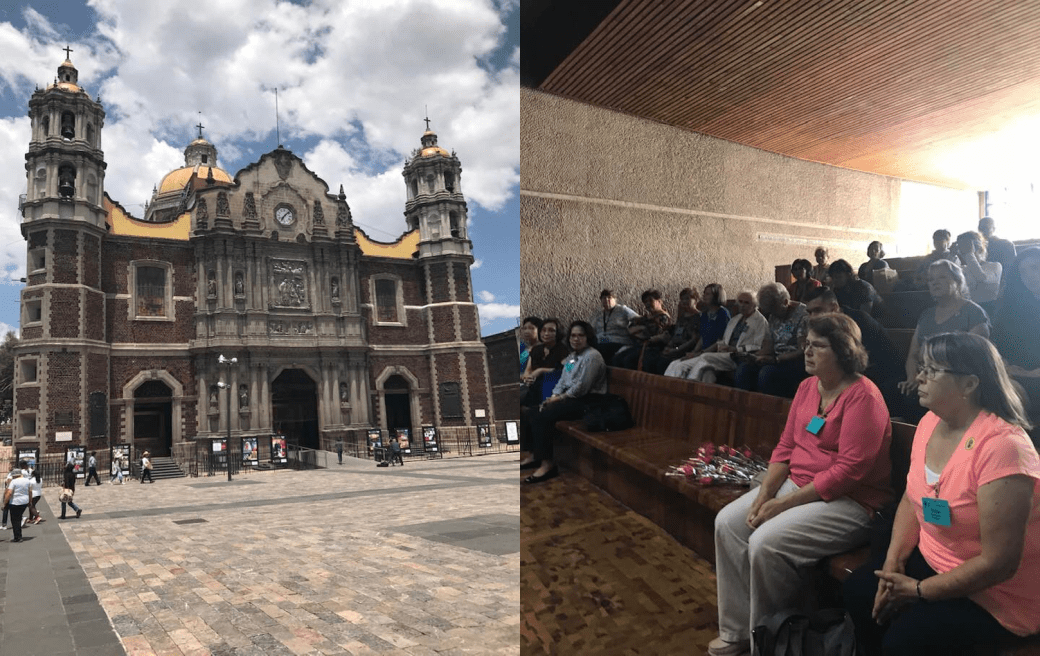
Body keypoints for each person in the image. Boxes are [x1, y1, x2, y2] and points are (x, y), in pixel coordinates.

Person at [842, 333, 1040, 655]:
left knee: (904, 642)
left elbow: (999, 563)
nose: (919, 377)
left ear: (969, 384)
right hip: (938, 558)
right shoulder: (930, 422)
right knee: (860, 593)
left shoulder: (1004, 448)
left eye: (932, 371)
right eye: (922, 367)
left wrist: (919, 591)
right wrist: (893, 564)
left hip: (998, 594)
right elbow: (912, 497)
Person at [709, 313, 892, 656]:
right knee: (728, 524)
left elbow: (849, 472)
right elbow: (786, 447)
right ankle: (737, 632)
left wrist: (781, 505)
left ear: (843, 351)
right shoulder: (807, 388)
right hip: (798, 486)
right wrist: (763, 493)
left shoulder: (863, 397)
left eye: (818, 346)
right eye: (806, 344)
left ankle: (769, 639)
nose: (807, 352)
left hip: (851, 501)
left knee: (766, 542)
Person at [898, 260, 989, 422]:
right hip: (926, 378)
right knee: (898, 390)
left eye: (941, 277)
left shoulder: (973, 313)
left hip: (955, 381)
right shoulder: (926, 315)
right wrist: (912, 378)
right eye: (931, 279)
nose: (934, 282)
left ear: (958, 281)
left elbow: (973, 359)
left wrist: (934, 381)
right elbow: (913, 354)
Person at [523, 321, 607, 484]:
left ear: (588, 337)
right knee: (532, 411)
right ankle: (534, 456)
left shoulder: (592, 356)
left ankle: (548, 465)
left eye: (580, 335)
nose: (576, 339)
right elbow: (563, 379)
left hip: (589, 401)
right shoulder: (572, 357)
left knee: (543, 416)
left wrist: (558, 399)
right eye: (573, 336)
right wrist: (553, 395)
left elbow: (582, 387)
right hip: (569, 398)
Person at [803, 286, 903, 413]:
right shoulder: (820, 328)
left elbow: (860, 363)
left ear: (834, 307)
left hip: (881, 376)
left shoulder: (859, 322)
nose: (812, 317)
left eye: (817, 310)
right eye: (809, 312)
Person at [663, 290, 768, 384]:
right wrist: (696, 353)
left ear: (755, 305)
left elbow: (758, 346)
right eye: (740, 302)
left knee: (705, 357)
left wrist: (736, 349)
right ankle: (671, 390)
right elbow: (723, 341)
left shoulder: (760, 322)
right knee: (680, 365)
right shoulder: (735, 320)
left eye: (746, 303)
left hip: (738, 357)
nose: (742, 305)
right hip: (722, 355)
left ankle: (690, 387)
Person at [734, 282, 808, 398]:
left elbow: (802, 351)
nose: (772, 315)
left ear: (785, 302)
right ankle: (744, 409)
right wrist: (756, 356)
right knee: (744, 368)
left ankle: (768, 412)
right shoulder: (773, 314)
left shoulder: (803, 315)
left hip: (794, 362)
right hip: (775, 358)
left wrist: (776, 359)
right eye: (769, 311)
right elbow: (770, 343)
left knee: (767, 374)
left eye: (773, 310)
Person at [991, 248, 1040, 421]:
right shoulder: (1011, 308)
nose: (1029, 276)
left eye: (1035, 268)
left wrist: (1031, 374)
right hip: (1016, 374)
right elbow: (1000, 342)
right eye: (1023, 271)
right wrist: (1004, 365)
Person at [614, 289, 672, 370]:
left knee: (628, 360)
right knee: (617, 358)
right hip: (638, 346)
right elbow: (630, 330)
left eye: (650, 301)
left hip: (652, 348)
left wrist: (642, 330)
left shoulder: (663, 317)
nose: (648, 304)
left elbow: (655, 335)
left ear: (659, 301)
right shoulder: (645, 318)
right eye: (645, 302)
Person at [649, 287, 701, 374]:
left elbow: (694, 340)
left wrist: (676, 350)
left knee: (663, 363)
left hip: (685, 351)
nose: (684, 301)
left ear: (695, 300)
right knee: (651, 359)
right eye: (682, 299)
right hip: (674, 348)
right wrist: (668, 347)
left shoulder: (699, 317)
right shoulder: (682, 317)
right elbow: (675, 334)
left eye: (687, 298)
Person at [954, 230, 1002, 317]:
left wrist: (969, 254)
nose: (962, 252)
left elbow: (982, 278)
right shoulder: (964, 269)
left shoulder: (995, 266)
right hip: (967, 310)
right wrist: (952, 255)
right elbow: (950, 278)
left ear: (978, 247)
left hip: (988, 310)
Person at [589, 290, 640, 365]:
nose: (606, 300)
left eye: (609, 298)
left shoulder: (622, 309)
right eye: (604, 298)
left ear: (615, 299)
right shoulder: (599, 315)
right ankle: (568, 368)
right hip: (603, 341)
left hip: (618, 341)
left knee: (599, 349)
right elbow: (590, 329)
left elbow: (637, 318)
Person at [3, 467, 33, 542]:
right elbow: (30, 492)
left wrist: (5, 502)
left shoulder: (14, 482)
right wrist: (30, 501)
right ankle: (19, 535)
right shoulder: (27, 481)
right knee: (18, 518)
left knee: (14, 520)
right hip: (24, 501)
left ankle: (18, 537)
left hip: (15, 502)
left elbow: (9, 493)